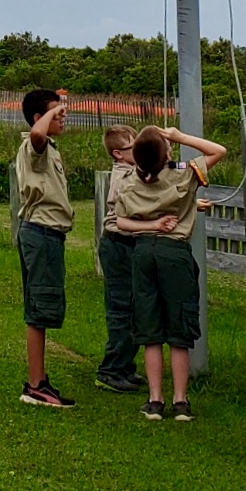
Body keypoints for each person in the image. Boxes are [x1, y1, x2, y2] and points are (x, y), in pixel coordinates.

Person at [114, 122, 226, 422]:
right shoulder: (184, 173)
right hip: (174, 253)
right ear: (167, 154)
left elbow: (121, 223)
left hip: (142, 253)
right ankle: (180, 400)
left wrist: (150, 225)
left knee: (150, 329)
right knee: (178, 328)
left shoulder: (128, 182)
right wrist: (179, 135)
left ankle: (154, 399)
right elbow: (218, 151)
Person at [14, 88, 75, 409]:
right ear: (40, 118)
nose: (62, 117)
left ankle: (39, 382)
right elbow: (37, 131)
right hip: (41, 233)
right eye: (56, 113)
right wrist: (54, 111)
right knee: (39, 309)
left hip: (46, 234)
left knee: (41, 307)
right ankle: (36, 385)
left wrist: (56, 109)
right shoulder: (34, 145)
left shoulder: (48, 148)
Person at [94, 124, 143, 393]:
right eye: (131, 147)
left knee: (136, 308)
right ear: (118, 154)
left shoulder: (136, 171)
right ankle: (110, 370)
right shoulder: (123, 177)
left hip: (130, 245)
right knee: (121, 308)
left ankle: (125, 365)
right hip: (118, 245)